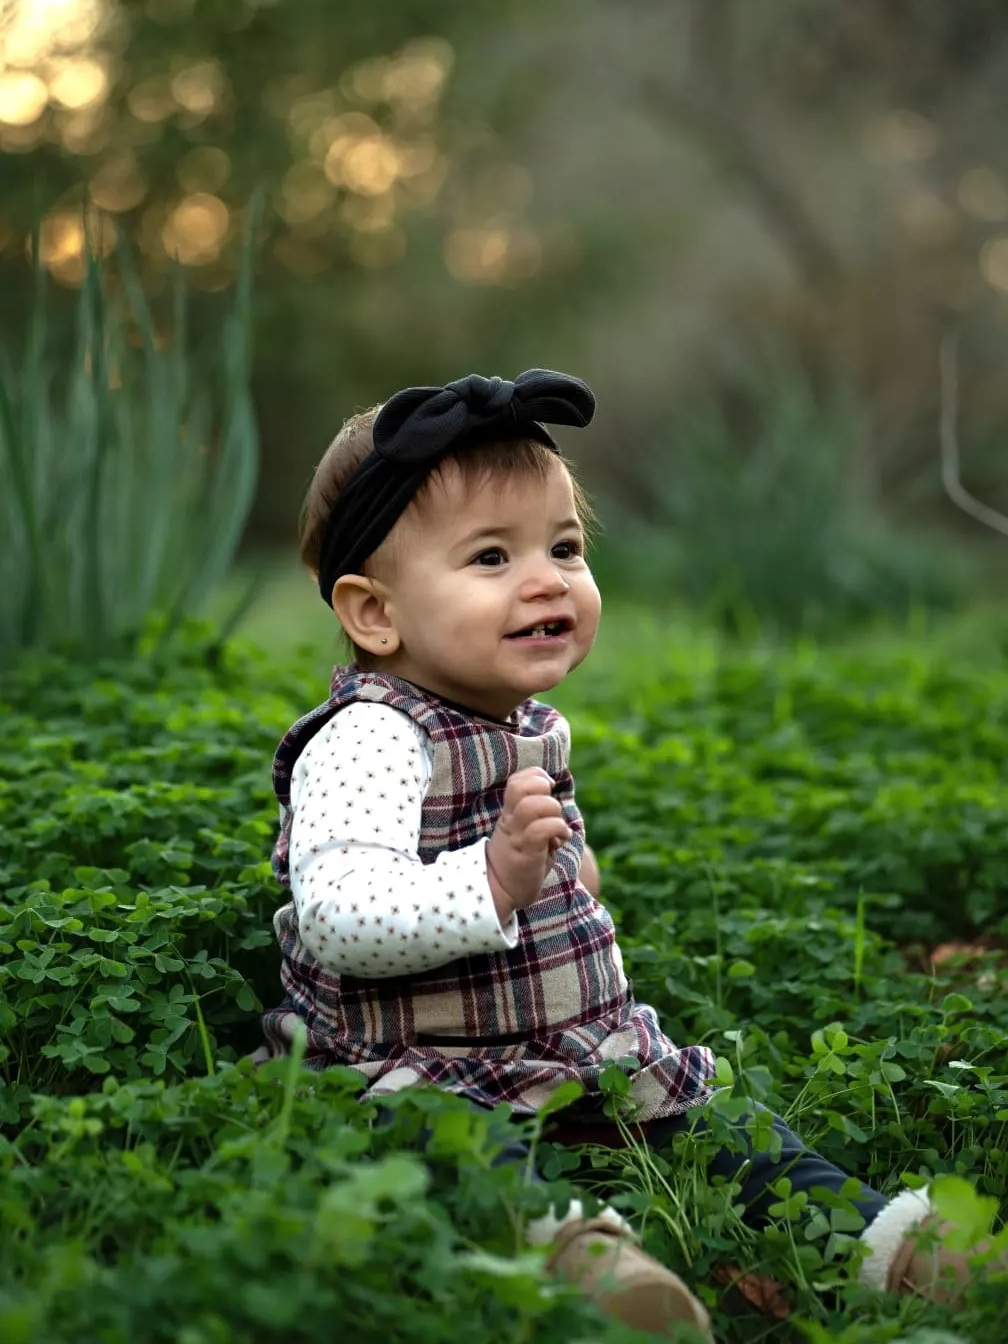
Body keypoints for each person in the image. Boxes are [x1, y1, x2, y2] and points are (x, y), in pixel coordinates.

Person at [259, 370, 1005, 1339]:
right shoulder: (367, 740)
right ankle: (583, 1271)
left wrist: (562, 876)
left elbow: (542, 867)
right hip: (416, 1055)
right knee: (460, 1155)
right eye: (491, 556)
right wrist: (494, 879)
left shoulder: (524, 722)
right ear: (374, 614)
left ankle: (880, 1240)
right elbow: (342, 916)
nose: (546, 578)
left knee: (724, 1122)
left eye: (564, 547)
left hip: (574, 1044)